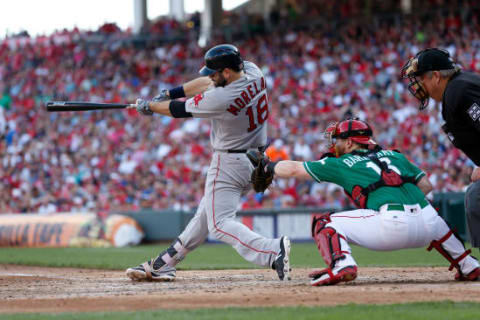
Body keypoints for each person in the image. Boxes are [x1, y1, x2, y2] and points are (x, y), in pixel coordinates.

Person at [125, 44, 291, 282]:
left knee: (219, 223)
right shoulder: (253, 71)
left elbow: (177, 110)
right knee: (206, 215)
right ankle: (164, 263)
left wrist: (150, 106)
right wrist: (169, 92)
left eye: (214, 72)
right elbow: (206, 84)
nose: (210, 76)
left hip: (229, 162)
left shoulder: (222, 97)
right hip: (254, 159)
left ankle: (271, 250)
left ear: (226, 73)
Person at [249, 118, 480, 286]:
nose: (334, 145)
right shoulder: (395, 155)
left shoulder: (342, 162)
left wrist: (268, 166)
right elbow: (426, 187)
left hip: (392, 224)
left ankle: (342, 263)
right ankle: (467, 263)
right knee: (432, 213)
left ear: (350, 143)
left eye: (337, 140)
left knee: (324, 221)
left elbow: (294, 169)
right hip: (429, 225)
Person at [402, 48, 480, 248]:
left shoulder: (459, 90)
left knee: (476, 197)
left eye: (420, 78)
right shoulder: (458, 87)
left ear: (436, 76)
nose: (417, 85)